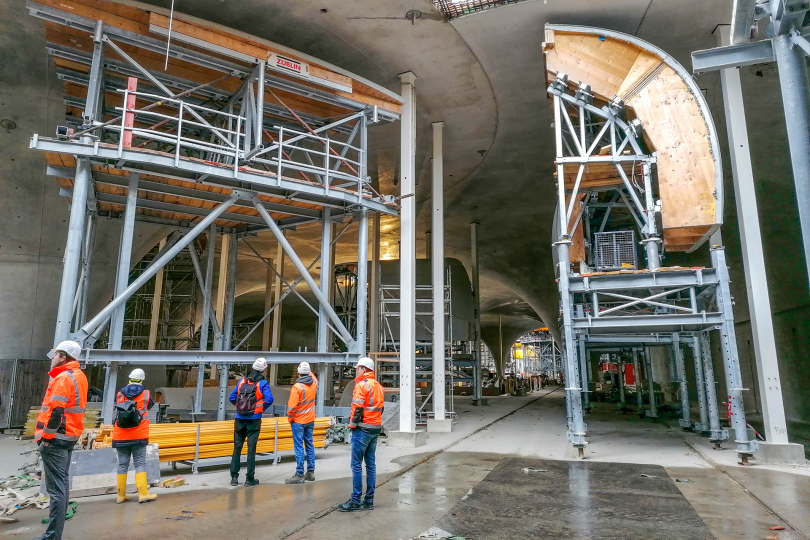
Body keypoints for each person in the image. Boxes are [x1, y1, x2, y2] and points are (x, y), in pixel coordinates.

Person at [33, 340, 87, 540]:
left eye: (55, 354)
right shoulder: (79, 376)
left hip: (56, 439)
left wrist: (46, 439)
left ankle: (52, 536)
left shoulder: (63, 378)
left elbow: (56, 411)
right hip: (69, 436)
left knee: (56, 489)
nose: (53, 358)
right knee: (62, 485)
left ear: (63, 357)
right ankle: (55, 534)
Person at [338, 357, 384, 512]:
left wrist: (351, 425)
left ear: (364, 369)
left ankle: (355, 501)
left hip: (362, 429)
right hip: (375, 429)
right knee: (370, 465)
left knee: (356, 465)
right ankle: (369, 500)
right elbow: (381, 409)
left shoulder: (361, 386)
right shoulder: (378, 386)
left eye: (358, 368)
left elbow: (357, 409)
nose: (356, 370)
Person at [111, 368, 156, 504]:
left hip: (120, 435)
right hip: (138, 434)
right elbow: (149, 406)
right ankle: (143, 494)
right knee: (140, 463)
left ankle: (121, 495)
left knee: (122, 464)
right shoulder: (147, 394)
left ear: (129, 379)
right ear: (142, 379)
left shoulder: (120, 394)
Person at [228, 357, 273, 486]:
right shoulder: (262, 383)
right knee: (251, 449)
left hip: (239, 419)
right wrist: (259, 409)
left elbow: (232, 397)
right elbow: (269, 399)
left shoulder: (242, 381)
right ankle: (249, 479)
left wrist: (240, 407)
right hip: (254, 420)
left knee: (237, 448)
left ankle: (234, 478)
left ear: (253, 368)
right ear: (263, 370)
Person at [285, 361, 318, 484]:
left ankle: (299, 474)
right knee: (309, 444)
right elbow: (313, 376)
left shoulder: (297, 387)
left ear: (298, 373)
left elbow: (292, 407)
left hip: (298, 421)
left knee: (299, 447)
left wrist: (290, 419)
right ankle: (310, 472)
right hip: (310, 420)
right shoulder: (314, 383)